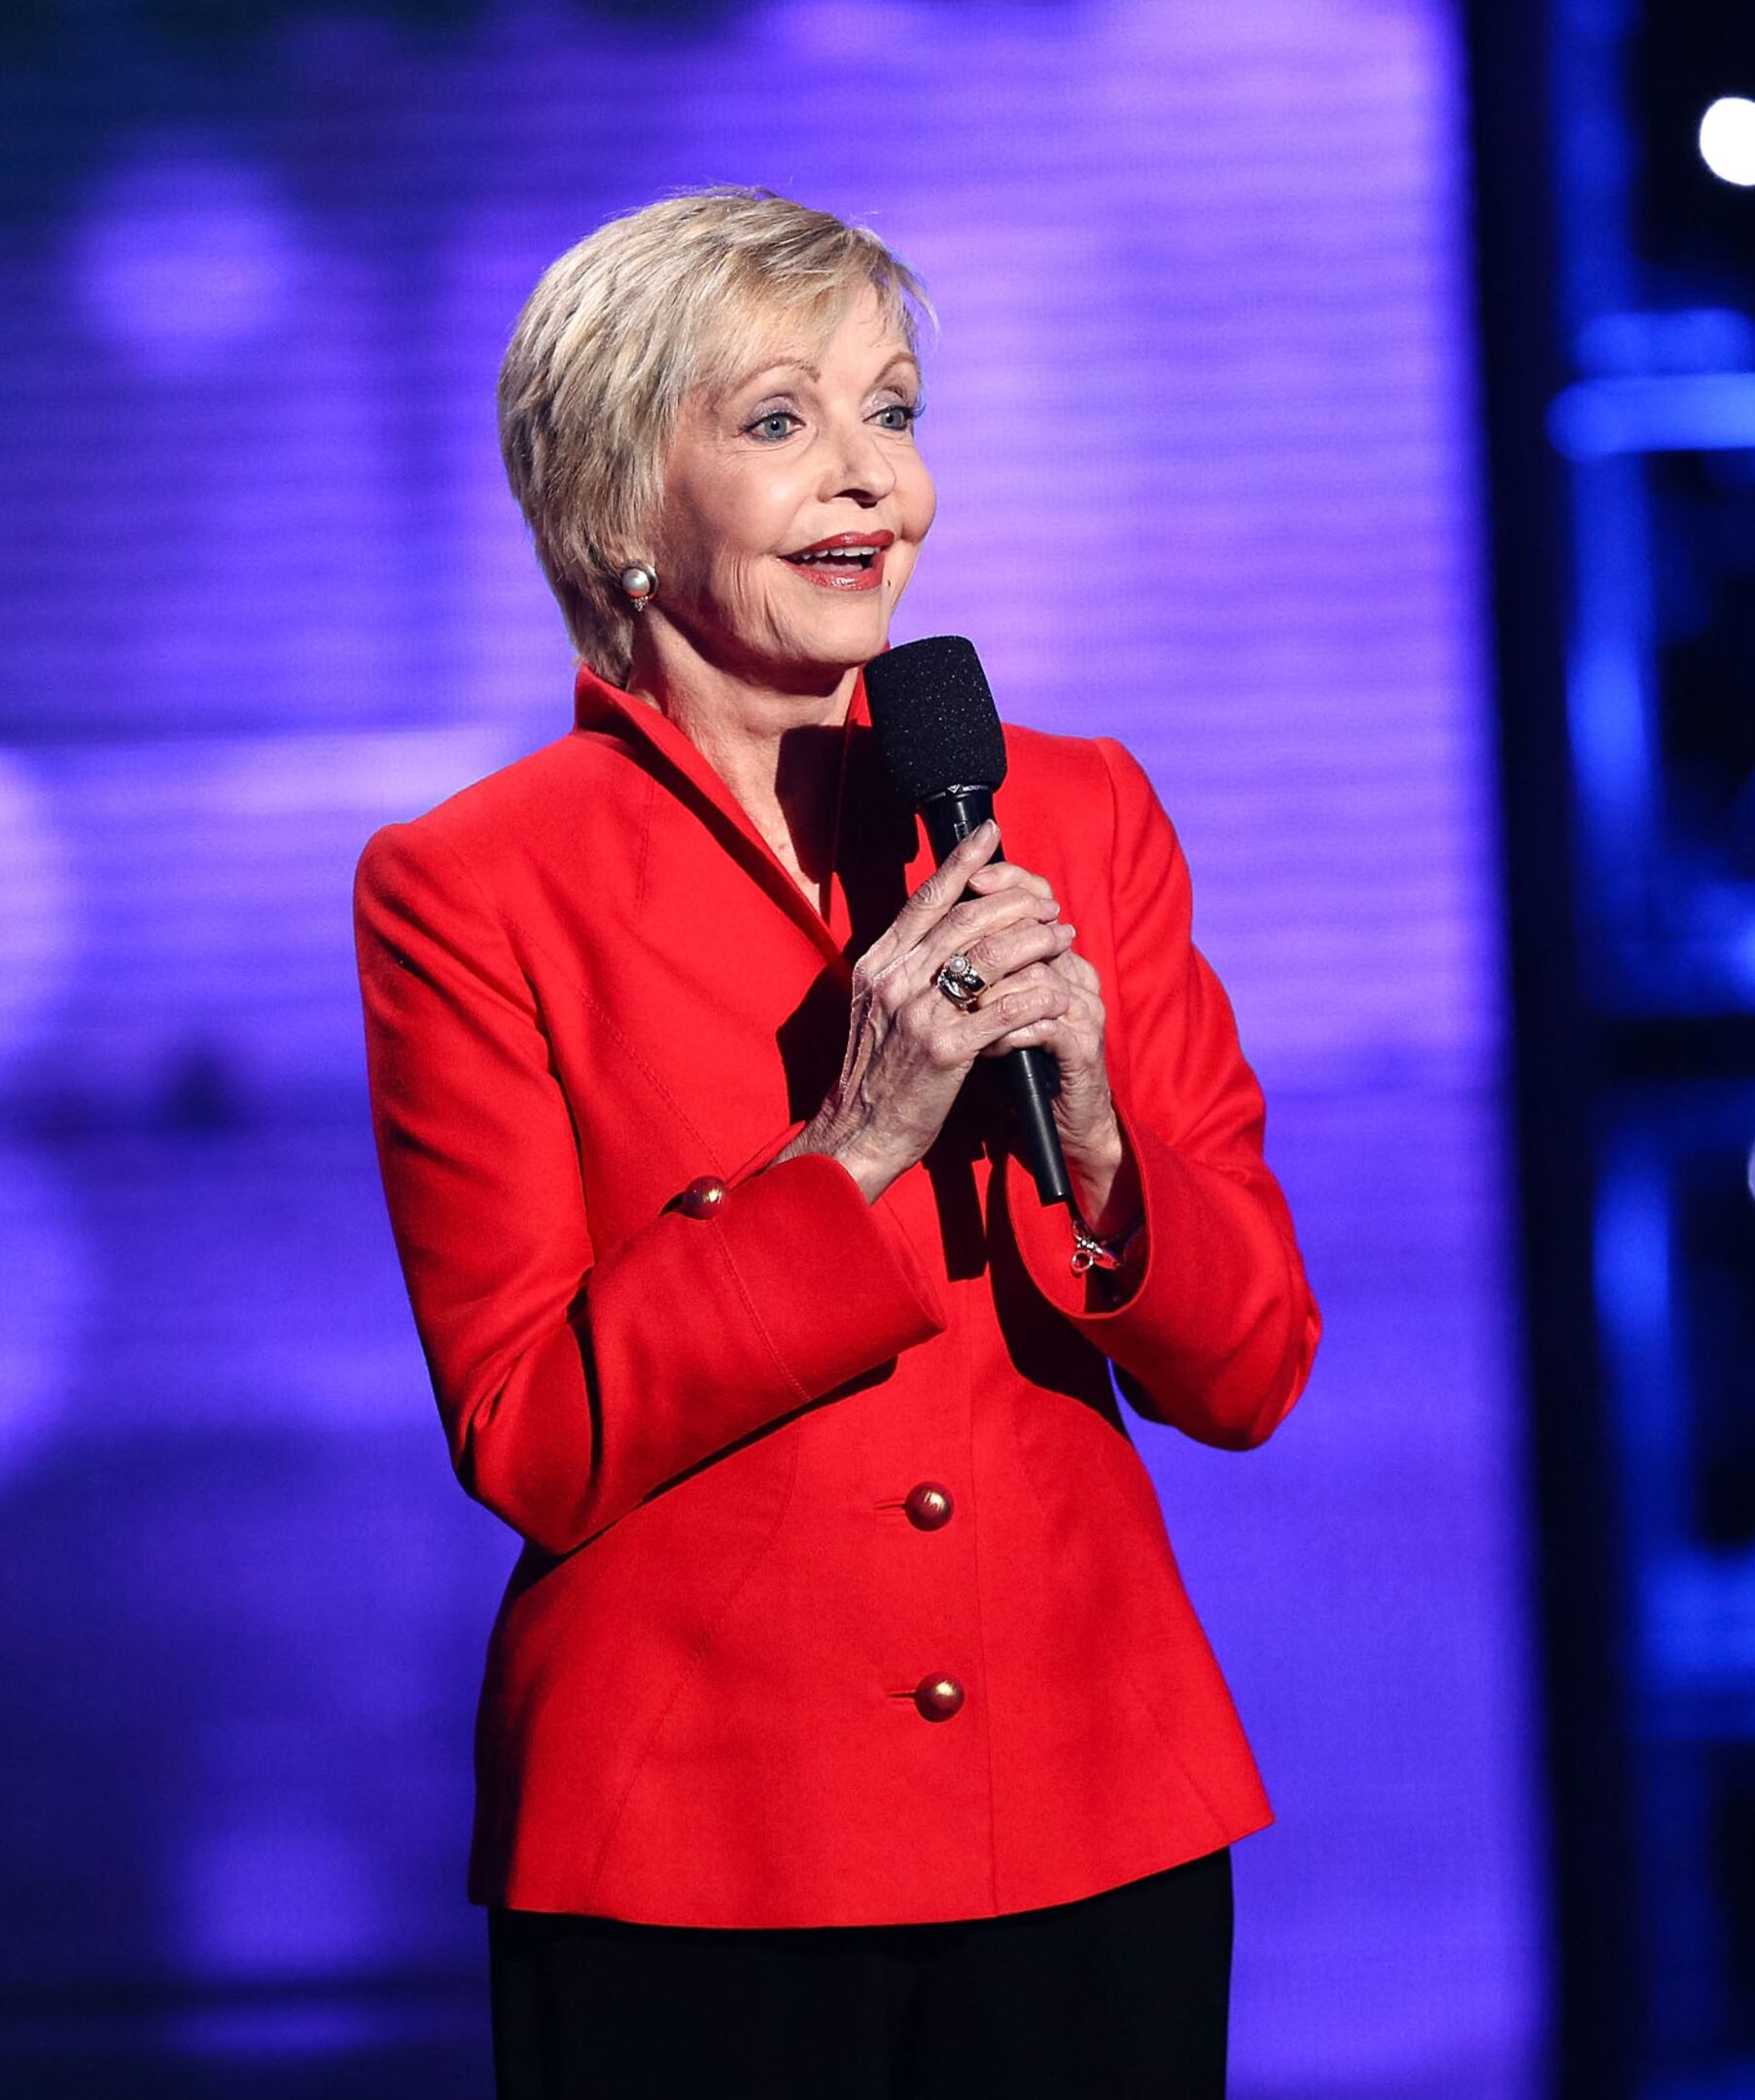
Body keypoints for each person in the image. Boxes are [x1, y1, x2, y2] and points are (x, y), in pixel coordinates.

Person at [350, 187, 1321, 2099]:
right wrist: (854, 1146)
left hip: (1092, 1820)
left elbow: (1257, 1361)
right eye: (782, 422)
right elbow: (532, 1436)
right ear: (617, 506)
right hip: (694, 1857)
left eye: (895, 410)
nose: (872, 476)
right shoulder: (469, 888)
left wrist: (1108, 1156)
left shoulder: (1079, 807)